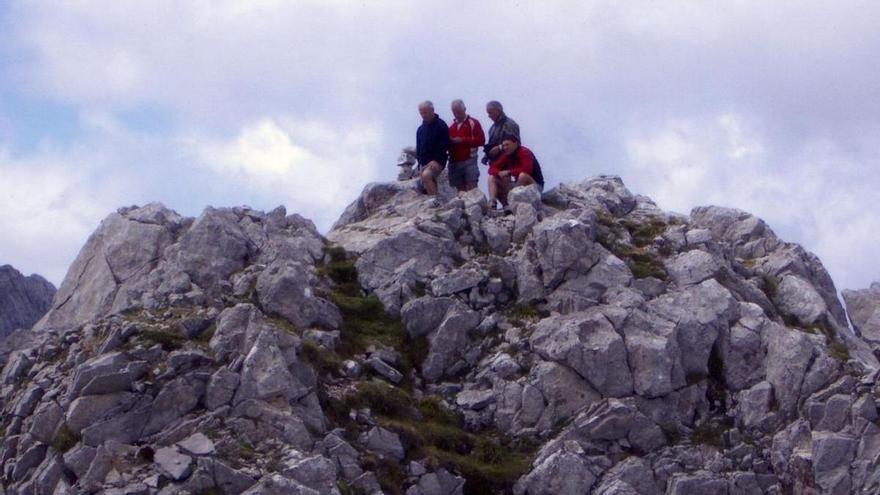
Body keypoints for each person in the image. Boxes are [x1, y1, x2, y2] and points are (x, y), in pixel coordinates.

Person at [488, 134, 544, 211]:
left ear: (515, 143)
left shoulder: (524, 152)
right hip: (519, 186)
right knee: (492, 177)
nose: (505, 147)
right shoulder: (507, 155)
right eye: (503, 145)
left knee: (523, 176)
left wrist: (509, 172)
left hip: (535, 186)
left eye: (507, 144)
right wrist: (498, 173)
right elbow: (492, 168)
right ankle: (493, 203)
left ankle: (512, 201)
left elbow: (527, 169)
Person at [447, 99, 486, 192]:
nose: (457, 114)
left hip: (469, 160)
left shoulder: (473, 123)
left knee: (472, 188)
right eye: (454, 112)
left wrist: (462, 140)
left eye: (459, 112)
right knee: (459, 190)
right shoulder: (452, 126)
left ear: (464, 109)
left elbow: (481, 141)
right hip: (454, 161)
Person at [416, 101, 450, 197]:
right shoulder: (420, 129)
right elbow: (419, 148)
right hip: (423, 163)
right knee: (419, 180)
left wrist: (436, 160)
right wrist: (419, 164)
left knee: (426, 175)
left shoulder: (441, 125)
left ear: (432, 110)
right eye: (421, 113)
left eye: (425, 112)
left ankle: (434, 200)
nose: (423, 115)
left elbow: (444, 145)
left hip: (437, 161)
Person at [481, 101, 520, 166]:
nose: (489, 116)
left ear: (498, 110)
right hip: (495, 164)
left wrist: (499, 147)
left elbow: (516, 143)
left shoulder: (510, 124)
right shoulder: (492, 128)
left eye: (490, 113)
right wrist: (486, 156)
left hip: (508, 165)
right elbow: (491, 145)